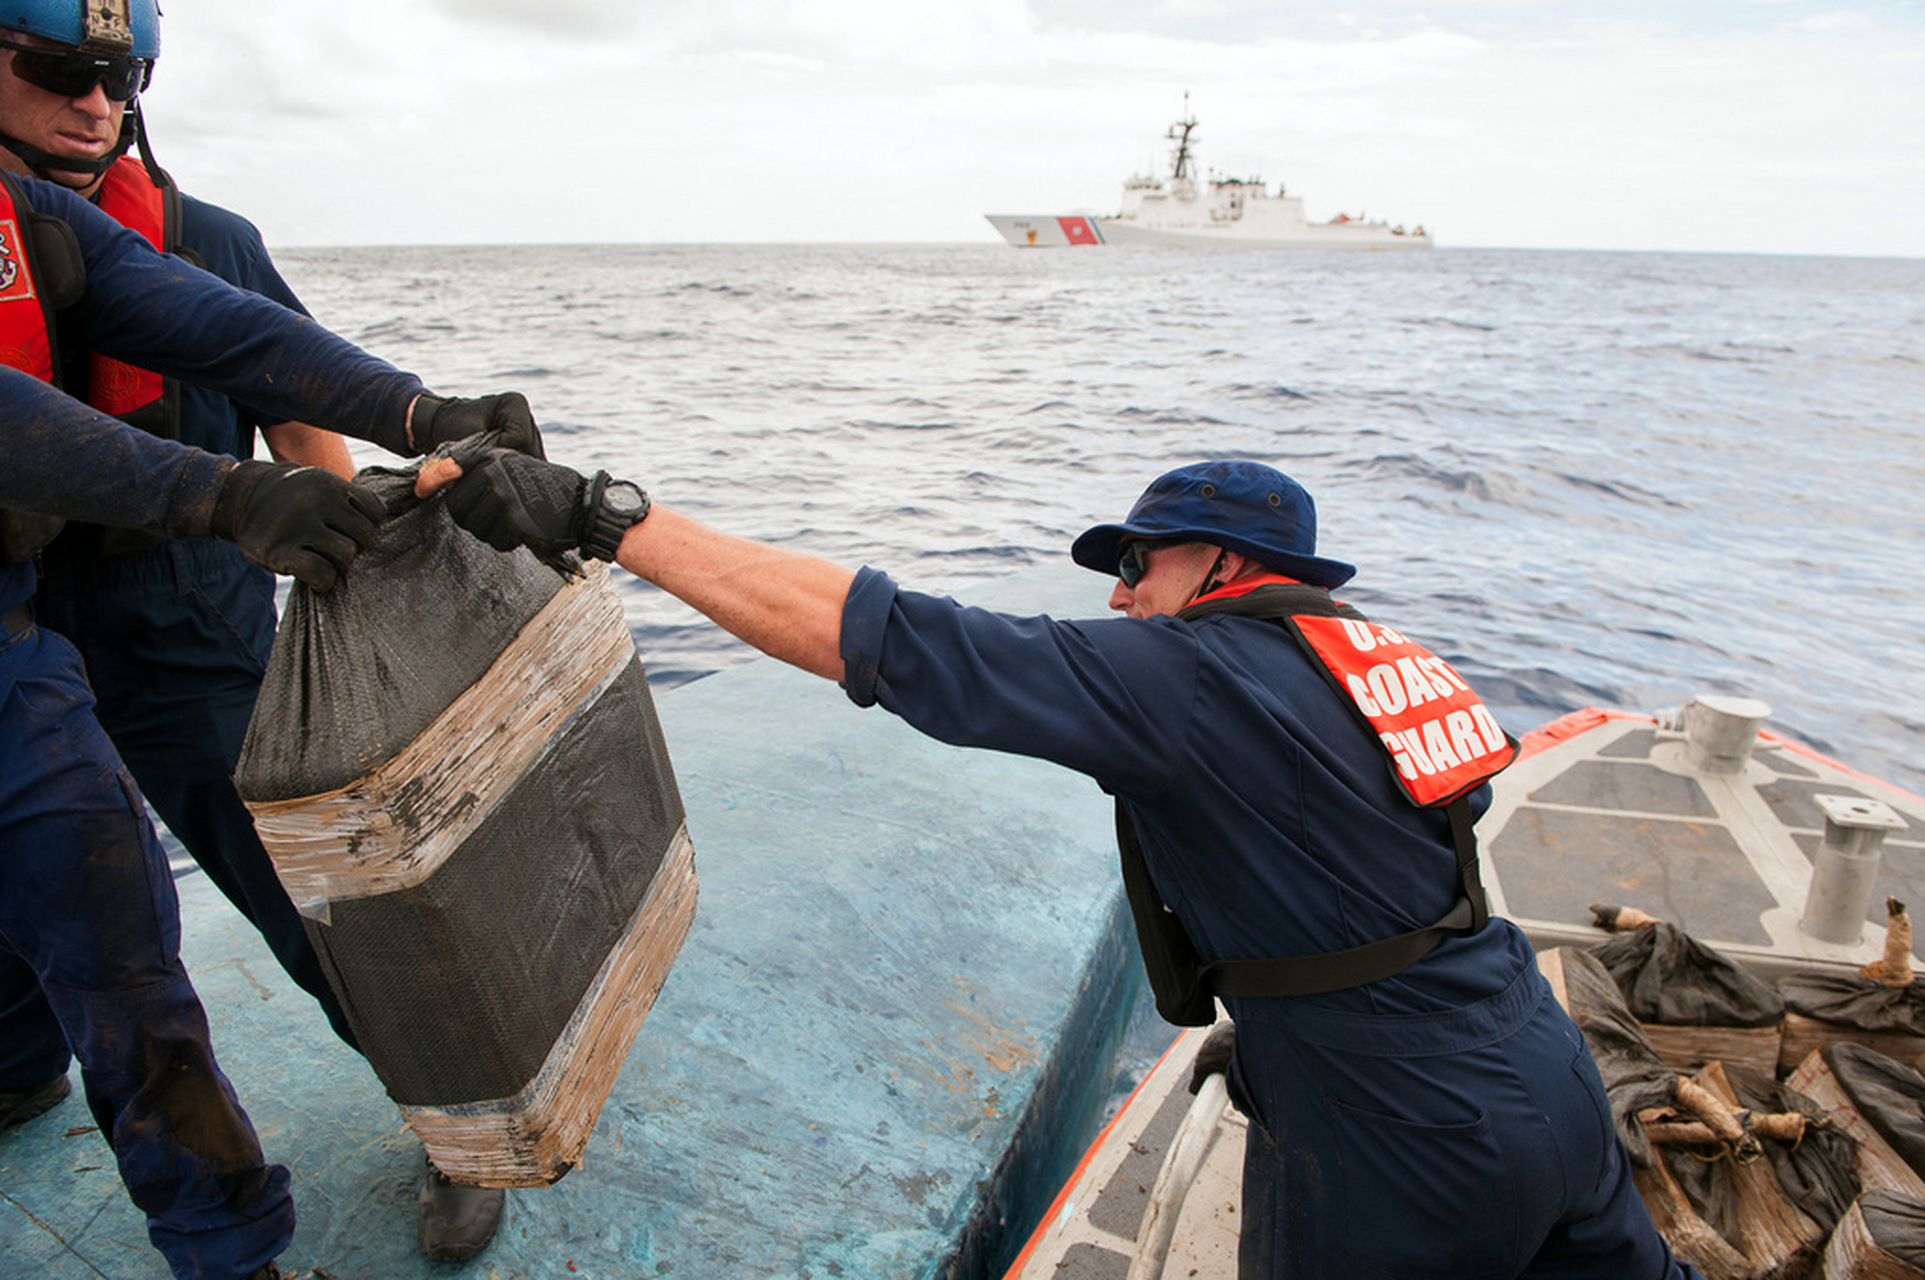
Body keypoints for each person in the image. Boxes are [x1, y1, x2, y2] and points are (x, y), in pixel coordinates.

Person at [424, 448, 1705, 1279]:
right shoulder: (1379, 657)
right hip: (1536, 1061)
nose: (1117, 595)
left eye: (1137, 565)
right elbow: (1395, 860)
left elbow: (868, 633)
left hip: (1397, 1125)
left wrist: (611, 519)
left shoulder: (1190, 670)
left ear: (1220, 569)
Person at [0, 0, 508, 1258]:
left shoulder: (81, 226)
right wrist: (225, 494)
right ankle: (17, 1064)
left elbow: (238, 340)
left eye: (118, 78)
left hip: (175, 608)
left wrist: (418, 409)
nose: (96, 102)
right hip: (46, 595)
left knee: (291, 878)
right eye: (63, 70)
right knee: (46, 886)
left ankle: (455, 1120)